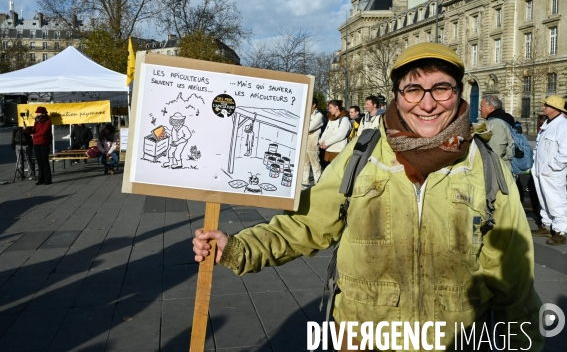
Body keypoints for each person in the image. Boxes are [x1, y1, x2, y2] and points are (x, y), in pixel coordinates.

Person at [192, 43, 543, 350]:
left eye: (441, 89)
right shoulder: (362, 156)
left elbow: (514, 277)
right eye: (413, 90)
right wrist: (239, 247)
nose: (428, 103)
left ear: (459, 93)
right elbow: (306, 224)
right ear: (396, 96)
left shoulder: (485, 166)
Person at [530, 95, 567, 245]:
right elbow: (539, 147)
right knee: (543, 200)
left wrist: (553, 168)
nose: (543, 107)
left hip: (553, 173)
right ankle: (546, 225)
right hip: (541, 171)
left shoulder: (563, 126)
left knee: (556, 201)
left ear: (555, 109)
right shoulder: (547, 124)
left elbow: (565, 152)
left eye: (546, 105)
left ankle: (560, 231)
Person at [479, 95, 514, 163]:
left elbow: (496, 153)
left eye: (481, 106)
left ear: (491, 107)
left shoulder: (496, 123)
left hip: (498, 168)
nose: (480, 109)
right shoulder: (502, 119)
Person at [24, 106, 52, 185]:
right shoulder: (36, 121)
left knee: (45, 162)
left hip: (44, 143)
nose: (37, 114)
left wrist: (34, 135)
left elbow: (44, 132)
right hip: (36, 143)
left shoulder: (47, 122)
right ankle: (41, 179)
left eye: (38, 113)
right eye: (37, 113)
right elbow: (32, 131)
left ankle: (48, 179)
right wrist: (27, 129)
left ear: (43, 113)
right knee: (39, 162)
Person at [318, 100, 350, 167]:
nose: (329, 110)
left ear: (337, 107)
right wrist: (321, 141)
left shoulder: (344, 119)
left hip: (338, 151)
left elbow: (340, 135)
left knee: (337, 171)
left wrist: (326, 143)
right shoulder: (330, 119)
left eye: (330, 108)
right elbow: (326, 132)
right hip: (328, 149)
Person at [302, 98, 323, 189]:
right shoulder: (307, 114)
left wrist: (306, 129)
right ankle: (304, 182)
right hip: (305, 142)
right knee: (305, 163)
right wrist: (306, 130)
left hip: (313, 143)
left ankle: (318, 183)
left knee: (315, 164)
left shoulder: (318, 115)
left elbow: (309, 127)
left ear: (314, 105)